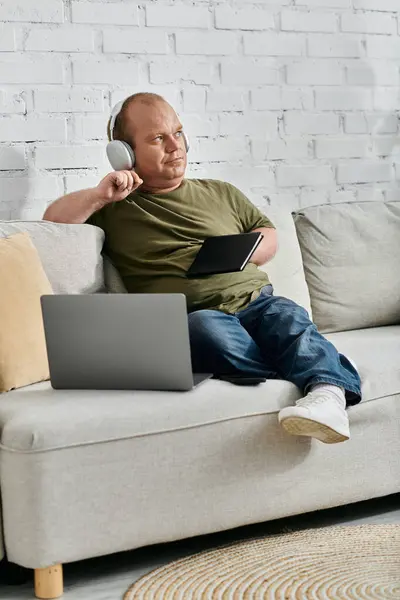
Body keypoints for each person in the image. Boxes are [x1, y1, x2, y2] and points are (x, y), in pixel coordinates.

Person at [43, 92, 361, 444]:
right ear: (126, 153)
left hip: (257, 300)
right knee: (206, 330)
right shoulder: (117, 207)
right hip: (195, 315)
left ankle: (329, 395)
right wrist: (101, 194)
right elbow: (54, 222)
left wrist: (240, 251)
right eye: (158, 138)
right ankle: (301, 371)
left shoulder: (220, 192)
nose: (174, 146)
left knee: (289, 318)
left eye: (177, 133)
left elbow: (267, 234)